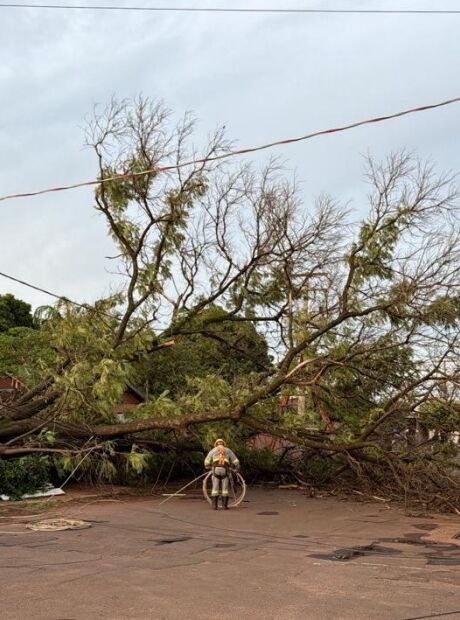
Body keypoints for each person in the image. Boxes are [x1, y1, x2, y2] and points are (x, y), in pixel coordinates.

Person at [204, 439, 240, 510]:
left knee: (215, 488)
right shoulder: (228, 450)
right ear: (223, 444)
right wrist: (236, 469)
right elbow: (236, 461)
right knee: (225, 489)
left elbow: (206, 461)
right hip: (225, 470)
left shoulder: (213, 450)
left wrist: (208, 467)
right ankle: (224, 506)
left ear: (216, 444)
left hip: (215, 470)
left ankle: (214, 506)